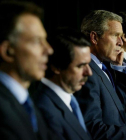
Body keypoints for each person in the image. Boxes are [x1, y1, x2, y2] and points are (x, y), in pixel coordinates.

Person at [74, 10, 126, 140]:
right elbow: (94, 130)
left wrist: (119, 69)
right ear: (95, 37)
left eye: (121, 36)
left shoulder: (103, 68)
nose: (121, 42)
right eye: (116, 35)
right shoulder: (88, 73)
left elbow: (120, 109)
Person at [0, 1, 59, 140]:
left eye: (45, 40)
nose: (49, 50)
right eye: (37, 41)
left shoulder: (25, 102)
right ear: (8, 51)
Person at [35, 28, 92, 140]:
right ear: (57, 66)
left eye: (88, 64)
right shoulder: (45, 110)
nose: (89, 72)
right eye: (80, 66)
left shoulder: (71, 98)